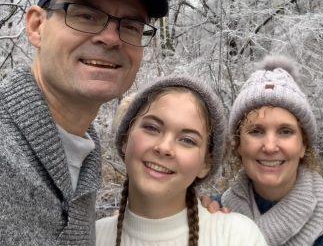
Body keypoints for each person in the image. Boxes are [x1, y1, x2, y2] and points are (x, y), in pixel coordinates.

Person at [0, 0, 168, 245]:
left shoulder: (84, 157)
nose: (111, 38)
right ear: (36, 26)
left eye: (130, 26)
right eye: (87, 16)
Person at [210, 55, 323, 245]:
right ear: (238, 145)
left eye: (285, 132)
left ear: (304, 145)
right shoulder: (210, 218)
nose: (270, 146)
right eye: (256, 131)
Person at [95, 76, 267, 246]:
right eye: (152, 128)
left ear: (206, 163)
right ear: (125, 138)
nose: (164, 147)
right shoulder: (91, 236)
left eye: (187, 140)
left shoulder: (237, 237)